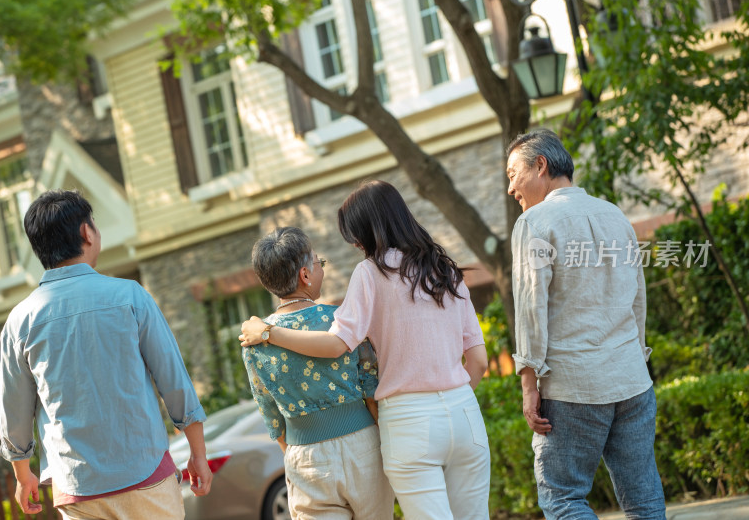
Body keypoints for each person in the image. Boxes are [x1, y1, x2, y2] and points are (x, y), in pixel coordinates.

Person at [240, 181, 491, 520]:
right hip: (465, 412)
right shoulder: (445, 268)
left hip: (409, 420)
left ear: (370, 230)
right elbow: (478, 361)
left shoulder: (370, 273)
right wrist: (450, 398)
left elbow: (337, 344)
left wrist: (269, 332)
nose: (356, 244)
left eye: (354, 235)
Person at [0, 190, 212, 520]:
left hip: (76, 488)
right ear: (86, 233)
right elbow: (174, 380)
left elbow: (13, 409)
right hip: (147, 477)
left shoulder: (20, 321)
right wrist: (198, 453)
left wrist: (23, 474)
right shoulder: (130, 297)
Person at [506, 129, 665, 519]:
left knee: (562, 499)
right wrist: (636, 355)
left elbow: (530, 311)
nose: (511, 188)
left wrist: (529, 384)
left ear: (540, 165)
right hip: (632, 381)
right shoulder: (614, 214)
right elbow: (637, 298)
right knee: (643, 497)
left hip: (573, 386)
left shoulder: (535, 223)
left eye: (513, 174)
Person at [242, 226, 394, 519]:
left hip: (304, 456)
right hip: (362, 446)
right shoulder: (340, 320)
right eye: (318, 262)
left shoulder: (254, 341)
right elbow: (371, 388)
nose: (321, 268)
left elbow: (271, 416)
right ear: (305, 275)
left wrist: (298, 456)